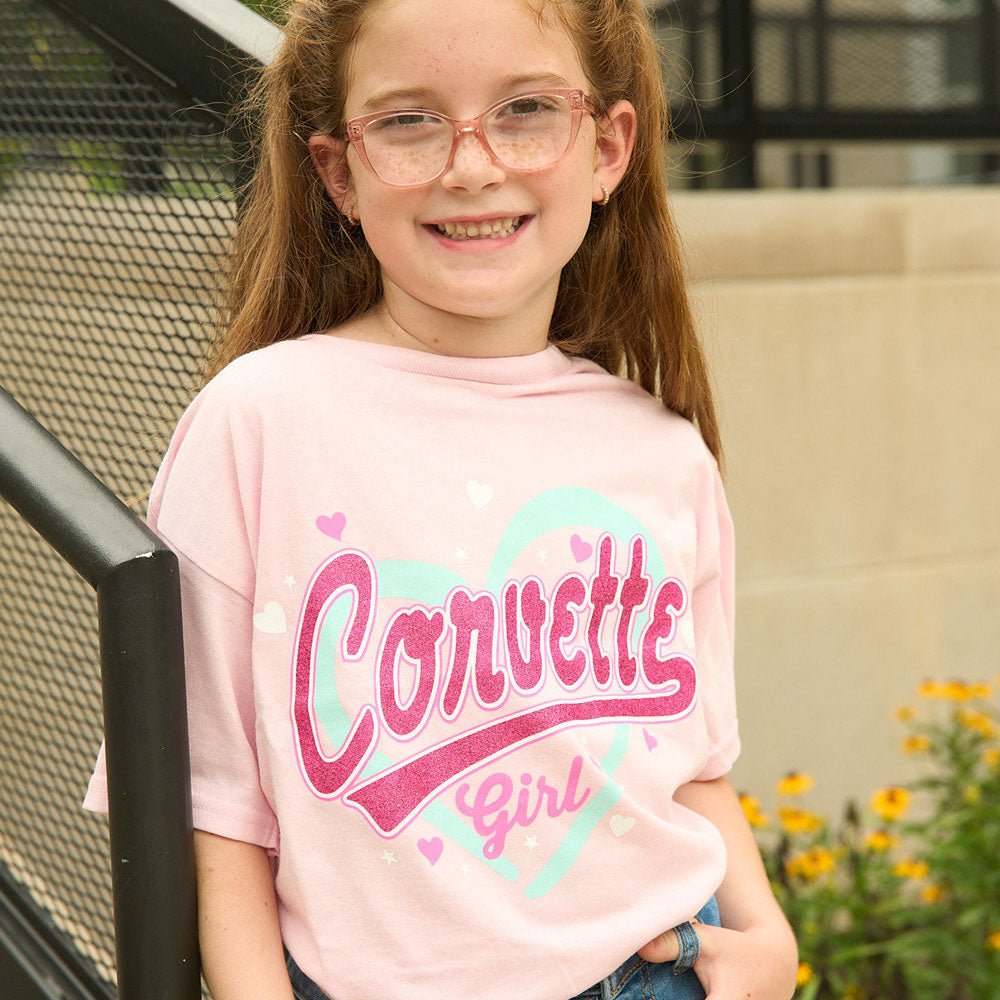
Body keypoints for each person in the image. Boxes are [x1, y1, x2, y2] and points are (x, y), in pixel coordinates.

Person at [85, 0, 798, 998]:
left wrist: (770, 942)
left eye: (525, 110)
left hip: (656, 972)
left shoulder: (663, 451)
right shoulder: (260, 420)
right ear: (339, 171)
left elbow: (687, 762)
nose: (472, 166)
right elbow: (214, 808)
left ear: (608, 147)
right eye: (410, 120)